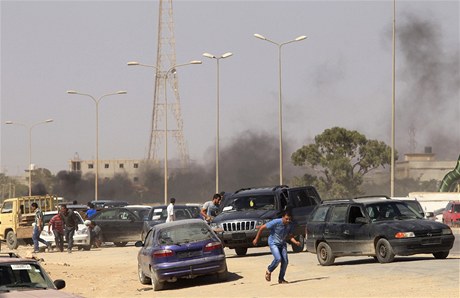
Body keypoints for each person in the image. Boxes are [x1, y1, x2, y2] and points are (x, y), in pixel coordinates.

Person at [252, 209, 301, 284]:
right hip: (273, 243)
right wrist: (256, 239)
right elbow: (262, 228)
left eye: (289, 219)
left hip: (282, 243)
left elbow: (290, 236)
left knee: (285, 261)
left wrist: (296, 242)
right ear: (283, 217)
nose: (288, 221)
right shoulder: (276, 222)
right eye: (286, 219)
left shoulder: (290, 225)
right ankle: (269, 270)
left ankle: (281, 279)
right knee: (278, 258)